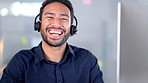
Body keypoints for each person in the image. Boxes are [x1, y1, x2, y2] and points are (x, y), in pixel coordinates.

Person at [0, 0, 104, 83]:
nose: (56, 24)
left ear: (72, 28)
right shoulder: (21, 62)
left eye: (63, 19)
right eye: (49, 17)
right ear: (39, 25)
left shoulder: (87, 60)